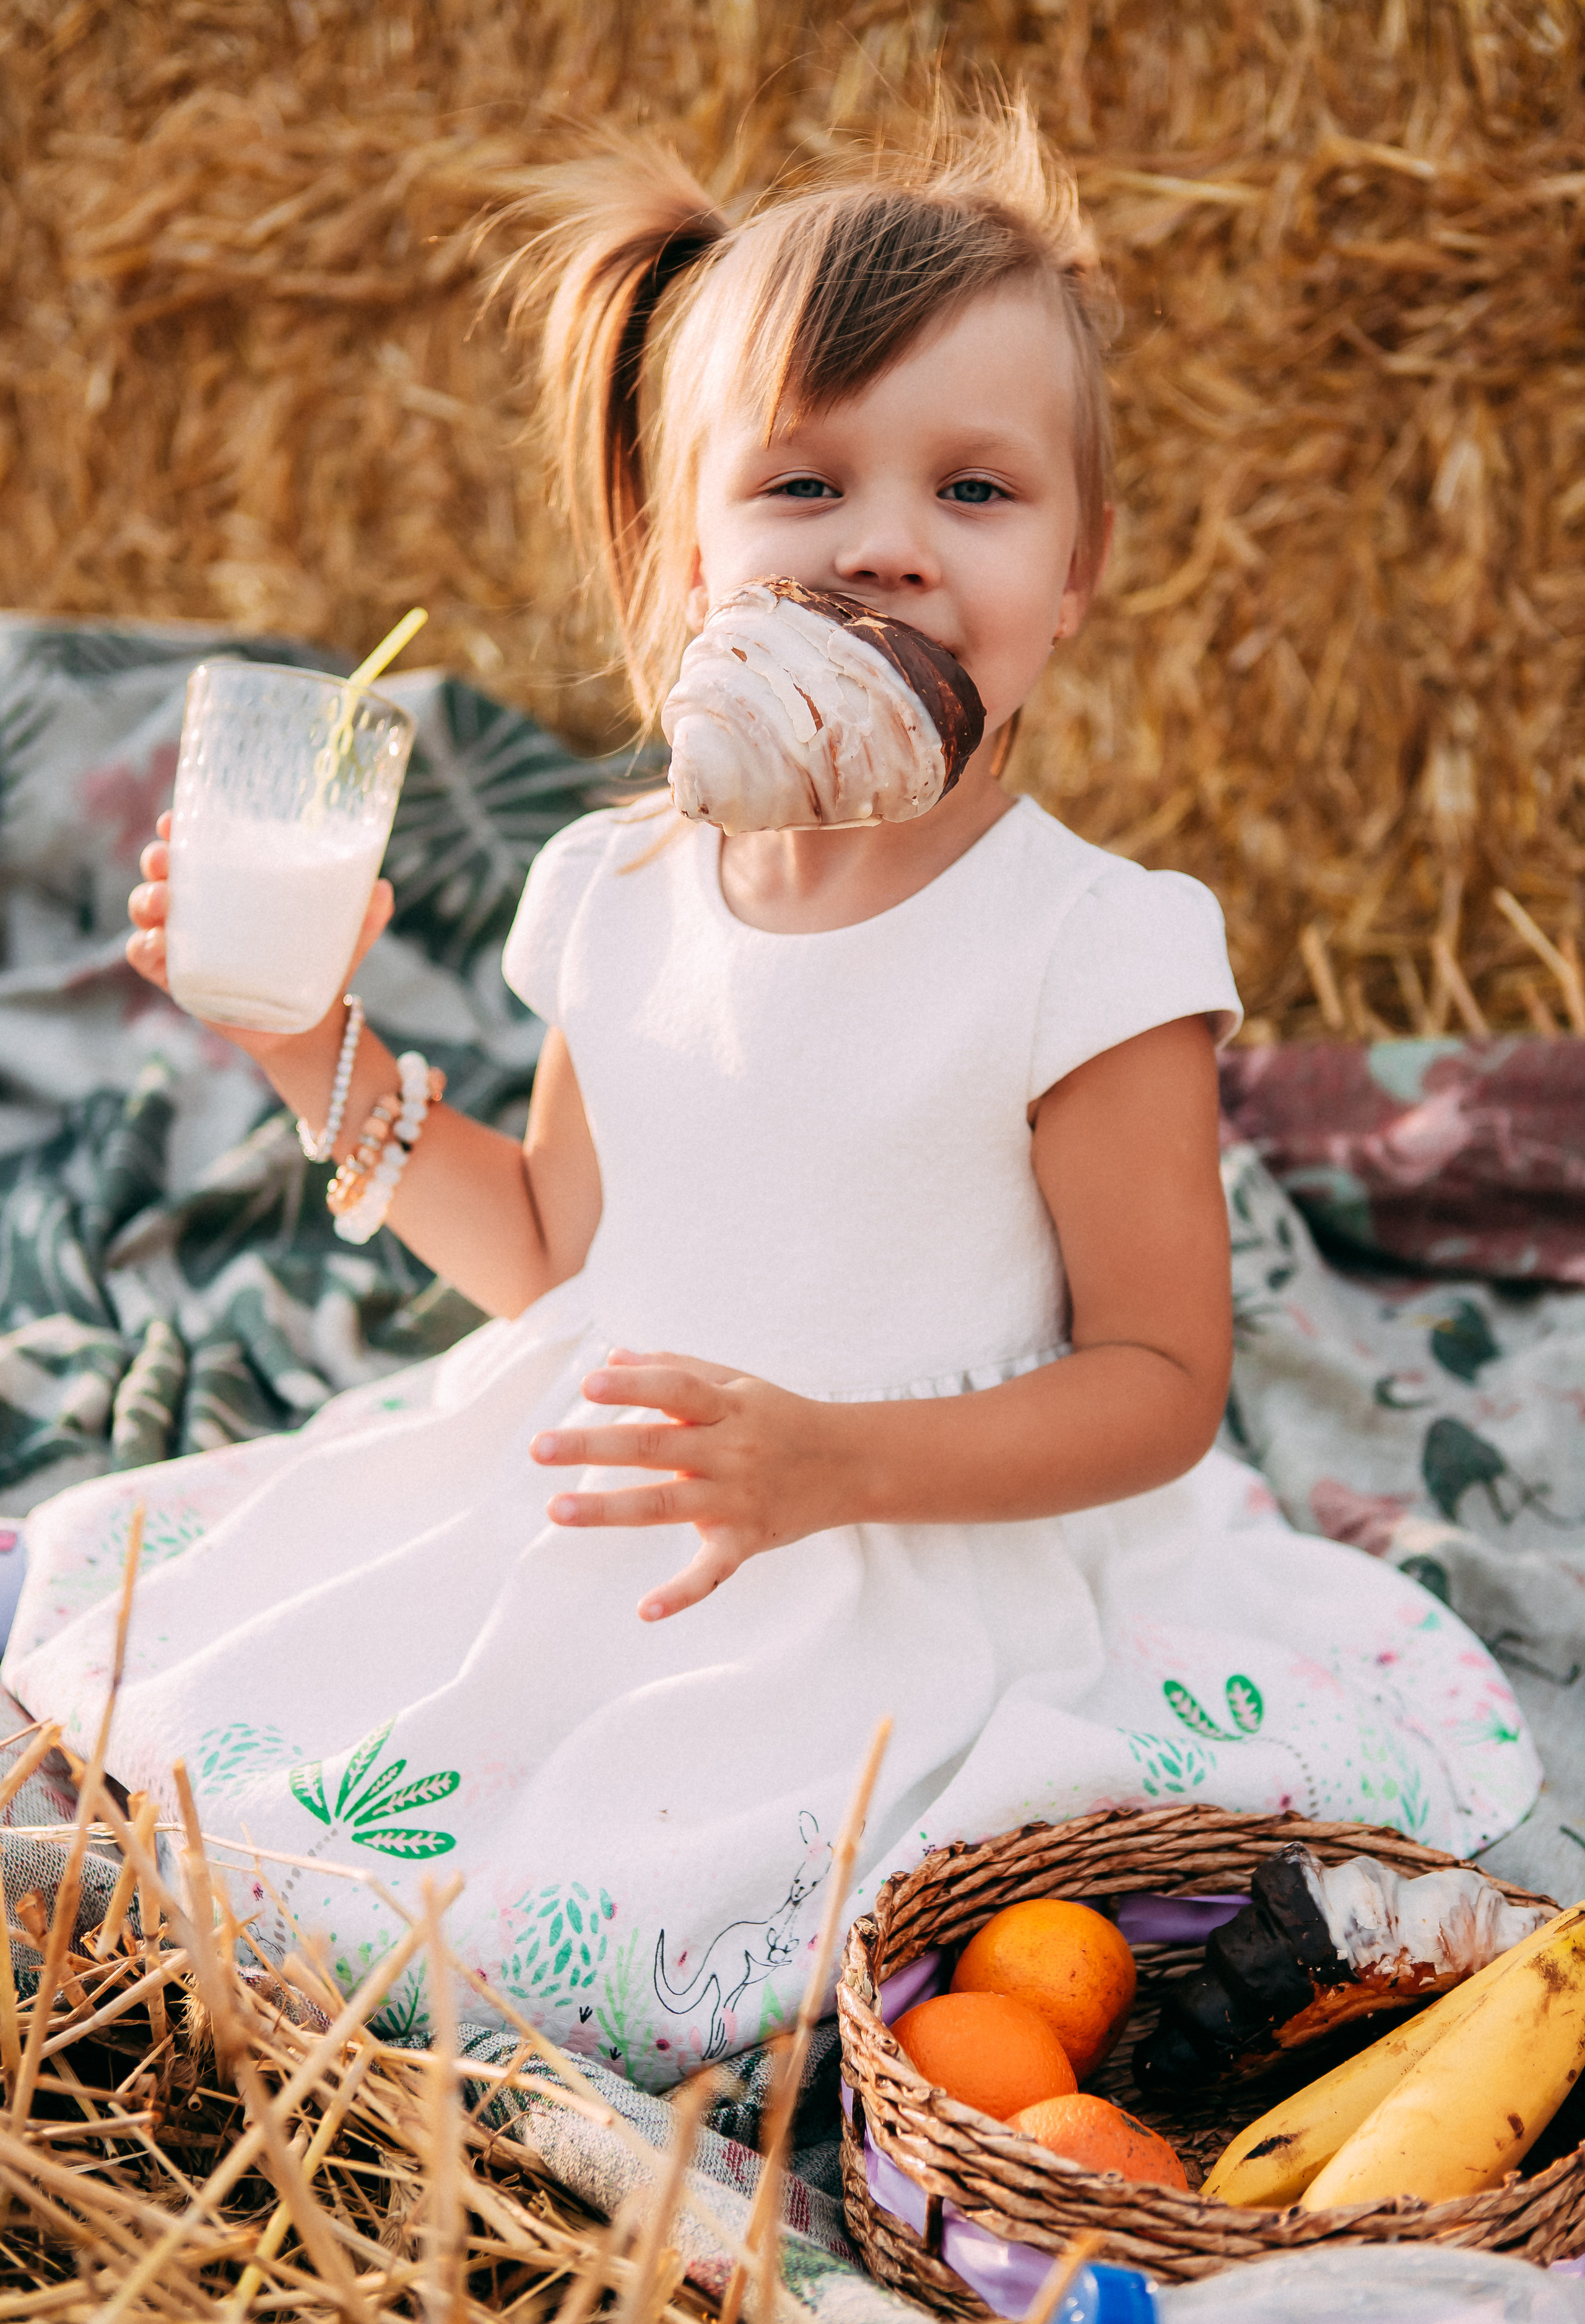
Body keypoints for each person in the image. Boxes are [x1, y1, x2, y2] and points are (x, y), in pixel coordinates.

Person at [3, 107, 1535, 2080]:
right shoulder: (616, 882)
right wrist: (315, 1046)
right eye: (806, 480)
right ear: (680, 551)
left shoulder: (1091, 946)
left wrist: (833, 1468)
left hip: (912, 1531)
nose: (888, 538)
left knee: (712, 1889)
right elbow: (554, 1253)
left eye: (976, 488)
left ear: (1078, 571)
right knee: (288, 1750)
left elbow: (1161, 1385)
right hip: (620, 1488)